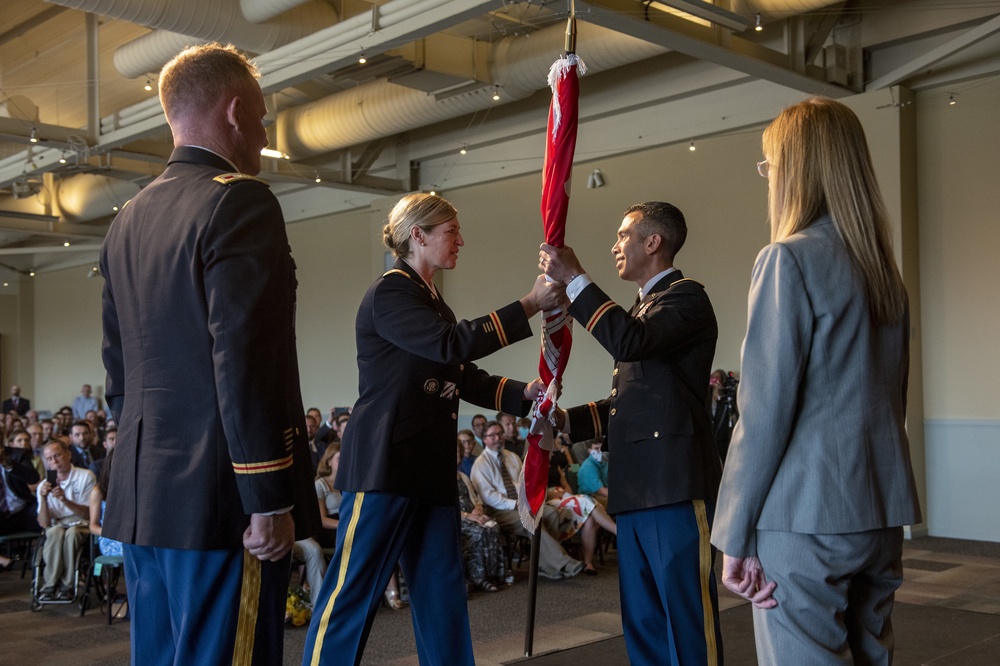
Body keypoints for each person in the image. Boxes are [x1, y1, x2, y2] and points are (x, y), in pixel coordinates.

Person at [99, 43, 319, 666]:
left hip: (146, 502)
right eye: (261, 115)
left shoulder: (127, 220)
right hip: (223, 503)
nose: (265, 130)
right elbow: (245, 361)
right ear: (234, 109)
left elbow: (119, 372)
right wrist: (268, 497)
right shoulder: (238, 199)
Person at [302, 192, 562, 665]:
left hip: (426, 466)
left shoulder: (430, 299)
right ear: (417, 235)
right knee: (352, 591)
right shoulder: (391, 290)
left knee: (441, 593)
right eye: (450, 232)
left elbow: (461, 375)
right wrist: (528, 304)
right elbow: (451, 346)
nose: (460, 241)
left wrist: (523, 394)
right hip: (386, 463)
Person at [711, 97, 922, 664]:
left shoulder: (788, 259)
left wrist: (732, 535)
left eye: (770, 164)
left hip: (803, 515)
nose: (768, 177)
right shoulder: (883, 272)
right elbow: (890, 396)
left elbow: (764, 415)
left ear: (795, 170)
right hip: (879, 510)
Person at [540, 200, 723, 665]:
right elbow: (629, 405)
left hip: (673, 486)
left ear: (653, 242)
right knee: (643, 623)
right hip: (638, 489)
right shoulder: (644, 309)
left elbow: (629, 341)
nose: (615, 245)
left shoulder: (685, 298)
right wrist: (564, 421)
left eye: (624, 235)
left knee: (685, 620)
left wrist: (576, 277)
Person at [471, 421, 582, 580]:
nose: (497, 438)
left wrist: (527, 501)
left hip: (522, 503)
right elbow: (489, 497)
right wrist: (517, 505)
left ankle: (543, 564)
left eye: (500, 434)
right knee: (531, 521)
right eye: (492, 435)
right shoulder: (480, 464)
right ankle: (562, 561)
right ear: (485, 439)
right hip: (499, 510)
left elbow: (525, 482)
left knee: (551, 513)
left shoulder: (512, 457)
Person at [37, 441, 95, 600]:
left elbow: (88, 514)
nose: (54, 462)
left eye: (57, 456)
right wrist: (43, 499)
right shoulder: (43, 485)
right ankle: (50, 583)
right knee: (54, 532)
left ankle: (67, 584)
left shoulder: (85, 476)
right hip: (57, 523)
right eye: (49, 459)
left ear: (68, 455)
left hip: (80, 521)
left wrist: (65, 500)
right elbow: (44, 524)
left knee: (72, 534)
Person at [456, 440, 506, 593]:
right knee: (480, 532)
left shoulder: (462, 476)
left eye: (457, 452)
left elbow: (475, 498)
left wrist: (478, 508)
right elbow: (443, 510)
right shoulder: (438, 480)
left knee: (493, 527)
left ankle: (492, 575)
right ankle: (478, 577)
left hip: (473, 515)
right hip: (457, 519)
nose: (455, 455)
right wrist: (467, 515)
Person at [575, 439, 609, 507]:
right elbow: (601, 490)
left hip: (604, 492)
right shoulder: (588, 466)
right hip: (590, 498)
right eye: (596, 448)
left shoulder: (605, 463)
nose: (599, 451)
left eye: (601, 448)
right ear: (589, 450)